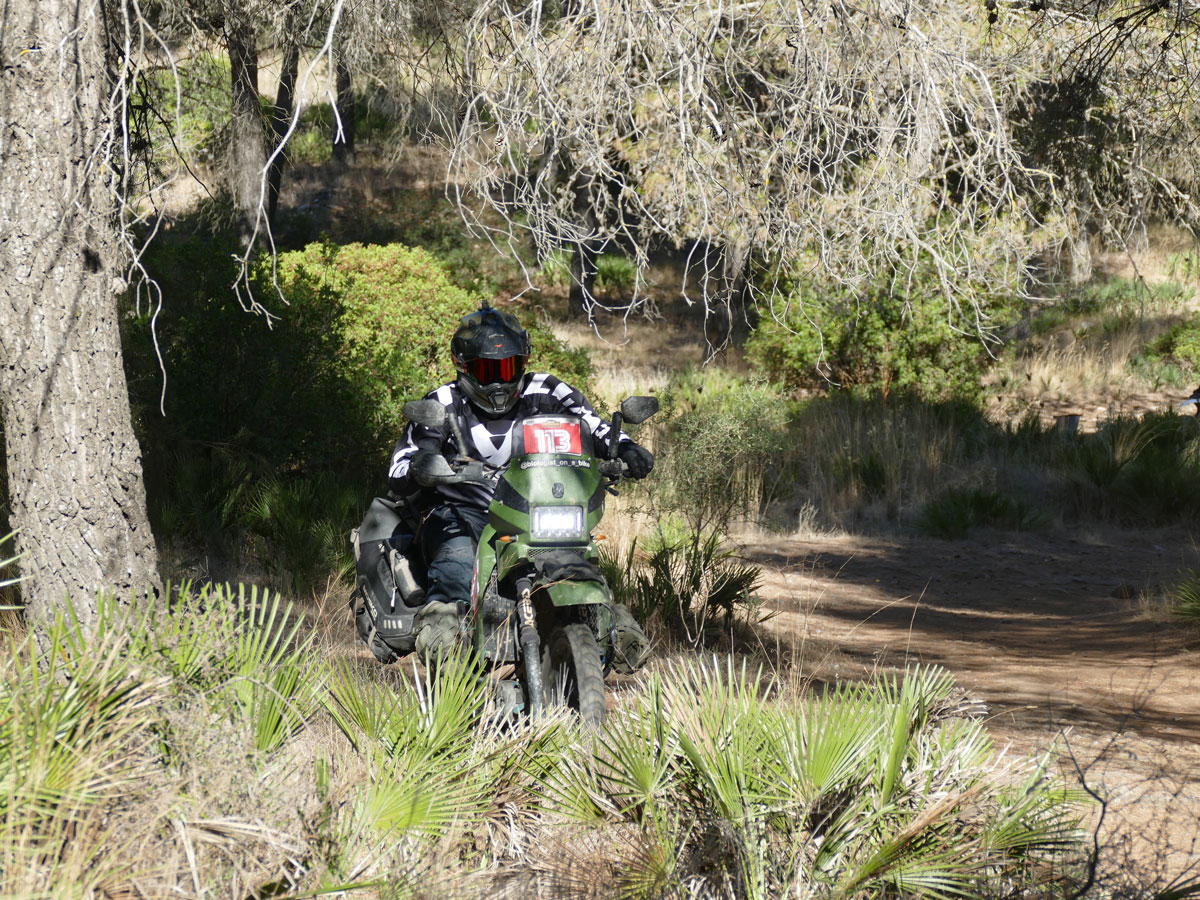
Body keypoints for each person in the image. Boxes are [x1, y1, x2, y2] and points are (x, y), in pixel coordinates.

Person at [387, 302, 655, 664]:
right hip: (463, 512)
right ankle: (447, 647)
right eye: (486, 369)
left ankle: (606, 629)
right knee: (458, 567)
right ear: (464, 367)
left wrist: (626, 448)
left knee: (582, 564)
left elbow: (596, 427)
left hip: (538, 510)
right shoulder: (443, 402)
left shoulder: (548, 389)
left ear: (523, 364)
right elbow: (399, 466)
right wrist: (422, 467)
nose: (498, 379)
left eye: (508, 367)